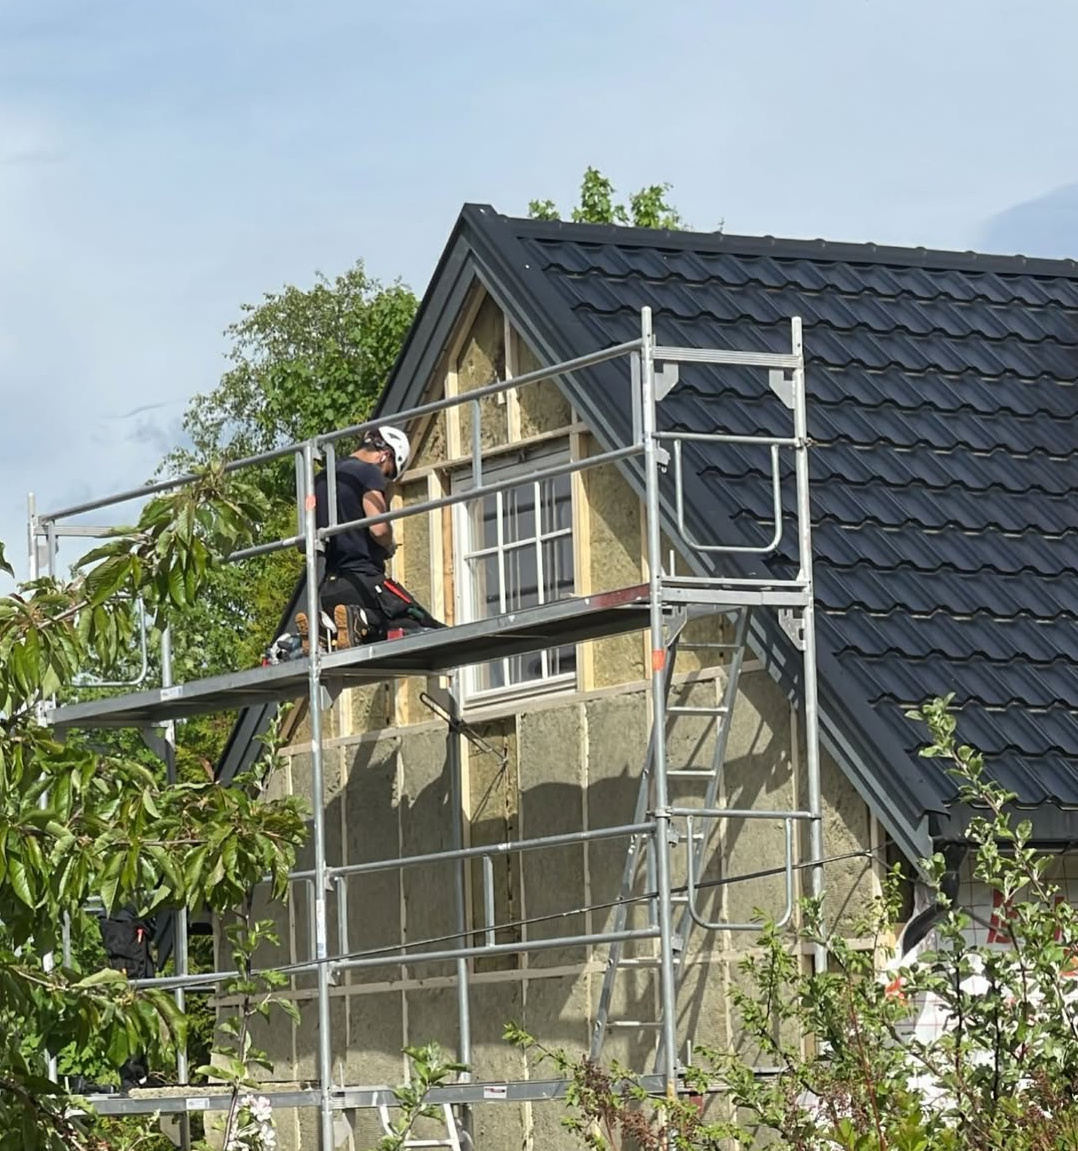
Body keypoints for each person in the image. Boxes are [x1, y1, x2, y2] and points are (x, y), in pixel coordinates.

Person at [296, 426, 444, 650]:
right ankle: (361, 618)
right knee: (420, 624)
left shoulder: (319, 480)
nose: (384, 479)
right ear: (385, 455)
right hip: (364, 584)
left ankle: (324, 628)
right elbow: (379, 529)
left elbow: (304, 540)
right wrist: (388, 543)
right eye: (388, 473)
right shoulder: (368, 472)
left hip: (329, 588)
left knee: (360, 636)